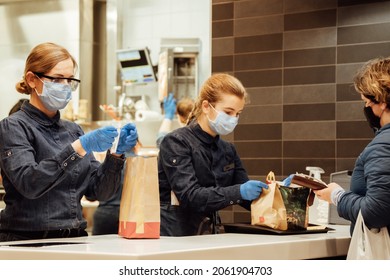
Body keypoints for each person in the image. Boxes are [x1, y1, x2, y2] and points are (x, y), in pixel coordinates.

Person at [0, 42, 138, 241]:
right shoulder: (13, 127)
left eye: (69, 80)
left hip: (75, 239)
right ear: (32, 79)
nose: (65, 87)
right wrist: (79, 147)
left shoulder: (73, 130)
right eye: (56, 79)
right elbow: (30, 183)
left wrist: (116, 155)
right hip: (28, 240)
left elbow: (98, 192)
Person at [158, 73, 269, 236]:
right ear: (206, 106)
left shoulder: (227, 150)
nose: (233, 119)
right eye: (228, 112)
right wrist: (239, 191)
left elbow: (248, 198)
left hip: (209, 235)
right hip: (175, 236)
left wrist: (276, 193)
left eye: (238, 113)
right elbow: (190, 196)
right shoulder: (176, 142)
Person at [315, 56, 390, 236]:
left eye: (366, 102)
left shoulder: (383, 145)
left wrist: (337, 196)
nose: (366, 108)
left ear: (382, 102)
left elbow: (376, 212)